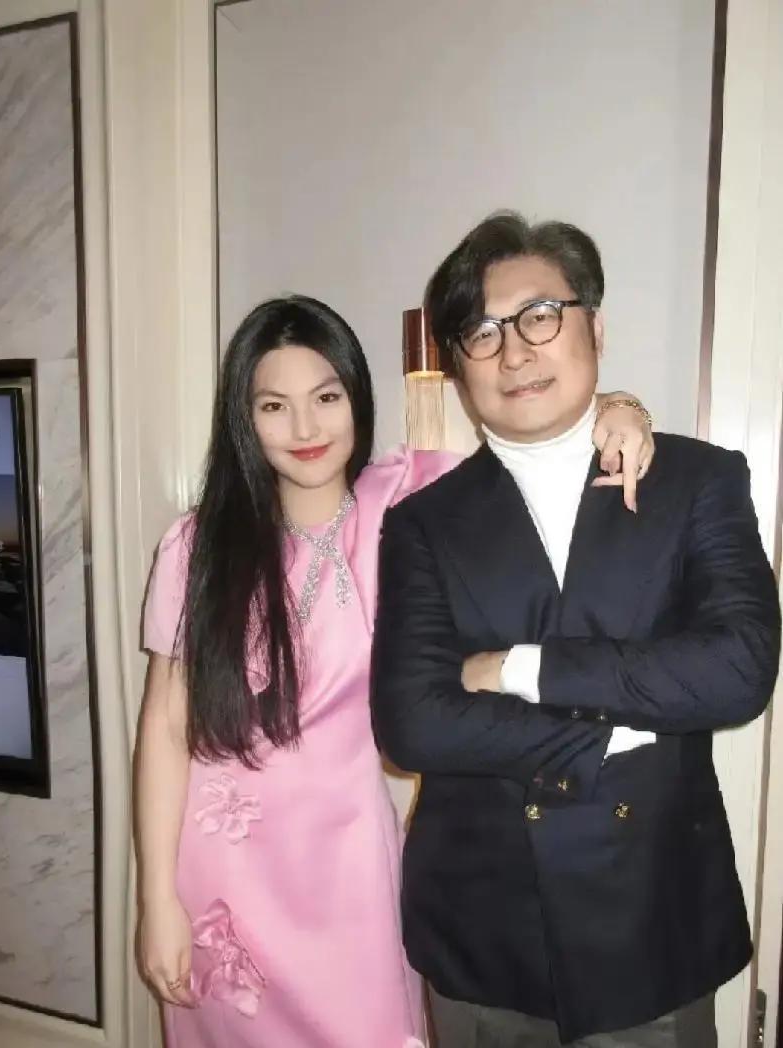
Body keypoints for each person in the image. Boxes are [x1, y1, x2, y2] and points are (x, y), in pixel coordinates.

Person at [134, 293, 655, 1048]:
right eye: (274, 406)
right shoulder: (195, 546)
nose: (305, 429)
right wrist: (157, 899)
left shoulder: (407, 503)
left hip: (350, 874)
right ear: (243, 418)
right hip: (222, 886)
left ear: (357, 395)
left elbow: (532, 437)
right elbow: (164, 726)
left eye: (326, 398)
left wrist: (620, 406)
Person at [370, 212, 782, 1048]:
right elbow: (413, 724)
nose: (513, 351)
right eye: (481, 333)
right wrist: (614, 735)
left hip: (650, 921)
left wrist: (516, 669)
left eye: (538, 316)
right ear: (457, 365)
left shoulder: (696, 480)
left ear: (594, 327)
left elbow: (737, 671)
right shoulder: (423, 523)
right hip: (484, 932)